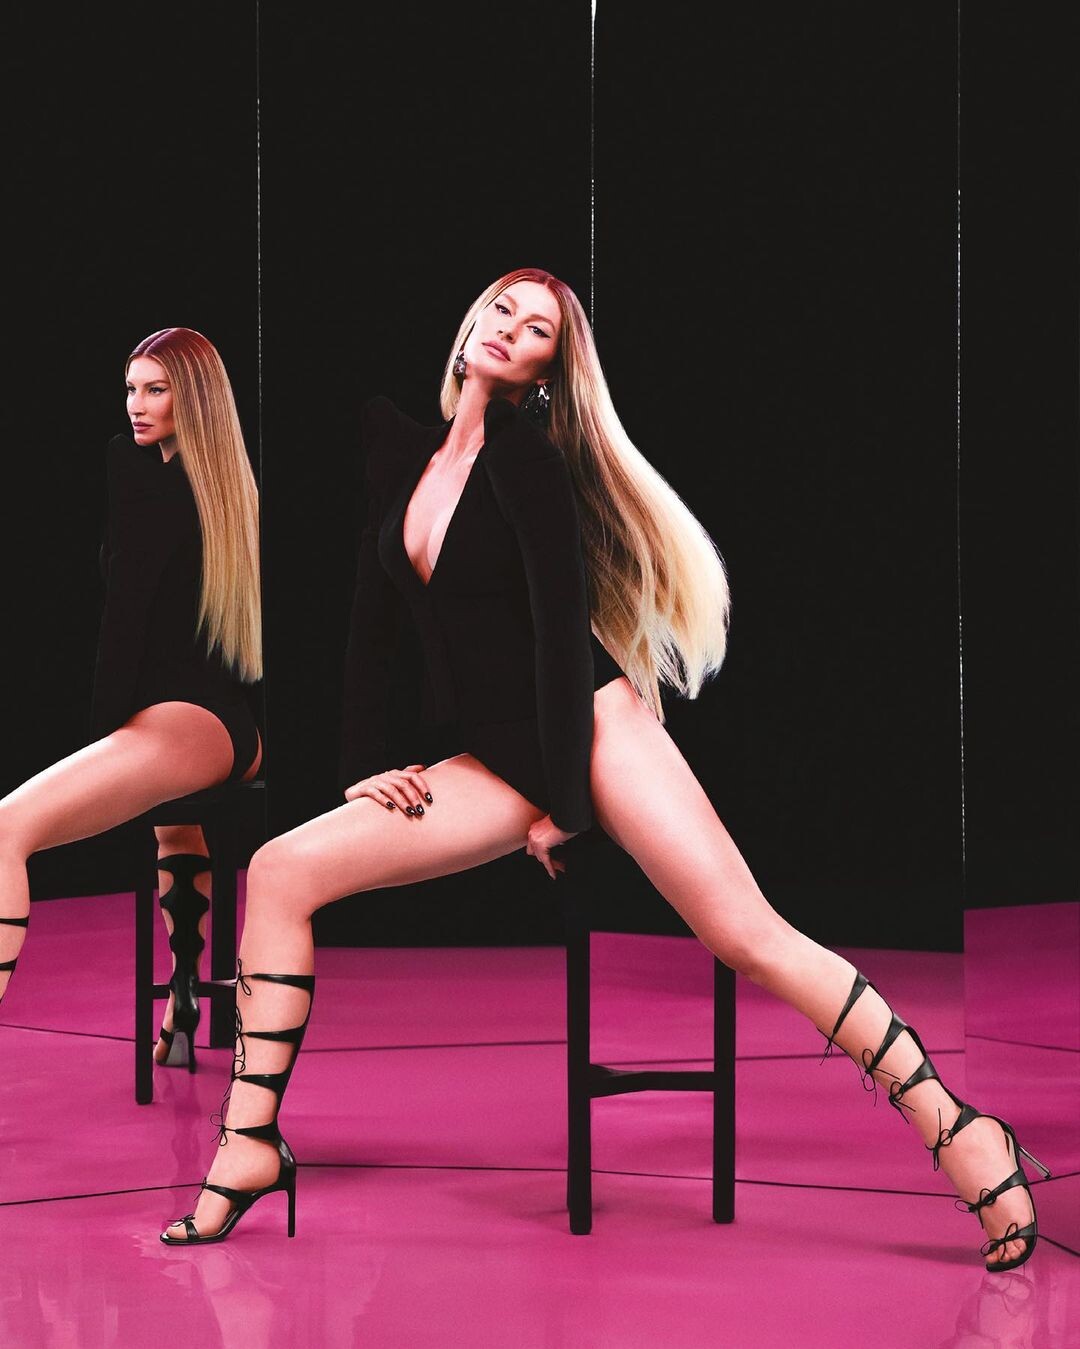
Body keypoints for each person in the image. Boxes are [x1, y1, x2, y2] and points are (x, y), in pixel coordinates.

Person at [161, 271, 1047, 1272]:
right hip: (500, 756)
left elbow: (557, 643)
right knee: (281, 869)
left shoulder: (528, 460)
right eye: (502, 308)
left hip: (591, 728)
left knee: (748, 935)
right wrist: (365, 767)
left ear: (548, 369)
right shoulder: (398, 449)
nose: (509, 330)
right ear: (472, 320)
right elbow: (371, 631)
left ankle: (962, 1131)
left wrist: (570, 810)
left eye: (536, 328)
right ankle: (250, 1145)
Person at [0, 326, 263, 1073]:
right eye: (130, 389)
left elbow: (125, 617)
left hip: (183, 719)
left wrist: (103, 736)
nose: (136, 406)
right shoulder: (234, 493)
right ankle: (182, 1003)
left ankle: (181, 1001)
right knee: (176, 833)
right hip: (229, 726)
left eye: (156, 388)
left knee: (5, 828)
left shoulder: (138, 475)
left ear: (195, 399)